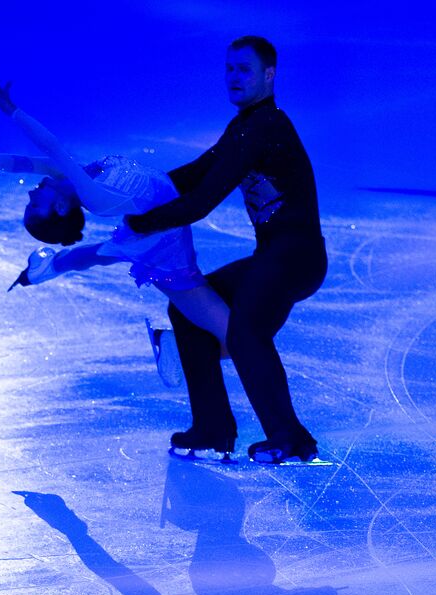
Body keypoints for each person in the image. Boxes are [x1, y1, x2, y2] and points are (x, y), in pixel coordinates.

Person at [0, 69, 233, 374]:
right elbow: (51, 147)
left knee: (100, 255)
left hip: (157, 233)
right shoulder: (93, 195)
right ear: (61, 207)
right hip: (165, 255)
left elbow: (26, 163)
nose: (31, 191)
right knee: (235, 339)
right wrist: (10, 109)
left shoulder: (80, 177)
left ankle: (46, 268)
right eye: (35, 204)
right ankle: (175, 349)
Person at [124, 36, 328, 464]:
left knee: (244, 332)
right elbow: (194, 175)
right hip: (272, 256)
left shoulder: (267, 125)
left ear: (268, 76)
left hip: (297, 256)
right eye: (229, 68)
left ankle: (291, 440)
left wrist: (142, 222)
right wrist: (130, 191)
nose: (234, 77)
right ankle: (213, 427)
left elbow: (201, 201)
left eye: (245, 70)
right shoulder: (243, 127)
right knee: (187, 312)